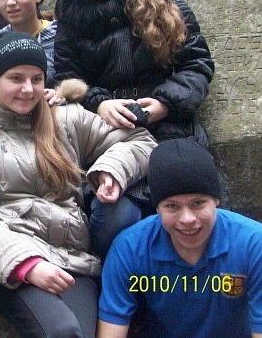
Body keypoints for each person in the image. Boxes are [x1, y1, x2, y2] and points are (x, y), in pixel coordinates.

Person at [0, 31, 156, 337]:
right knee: (62, 330)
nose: (28, 88)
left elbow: (141, 140)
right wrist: (28, 266)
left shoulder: (65, 118)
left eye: (36, 78)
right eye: (16, 78)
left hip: (71, 256)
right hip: (9, 259)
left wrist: (111, 171)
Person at [53, 0, 215, 258]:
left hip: (169, 128)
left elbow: (197, 64)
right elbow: (67, 76)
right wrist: (99, 103)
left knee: (184, 213)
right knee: (114, 216)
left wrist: (164, 103)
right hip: (110, 135)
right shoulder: (68, 12)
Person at [98, 138, 262, 338]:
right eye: (172, 206)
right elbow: (112, 330)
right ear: (157, 208)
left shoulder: (254, 244)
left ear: (216, 200)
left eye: (198, 203)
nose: (187, 219)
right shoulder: (129, 249)